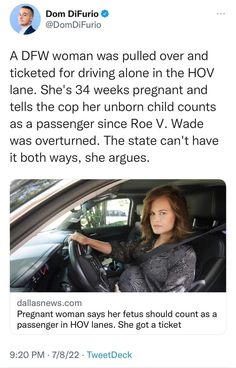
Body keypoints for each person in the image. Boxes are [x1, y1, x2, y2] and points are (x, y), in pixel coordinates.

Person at [70, 186, 196, 292]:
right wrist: (88, 241)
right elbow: (121, 250)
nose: (155, 219)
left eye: (162, 213)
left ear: (178, 215)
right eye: (152, 213)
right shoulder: (149, 241)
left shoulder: (185, 255)